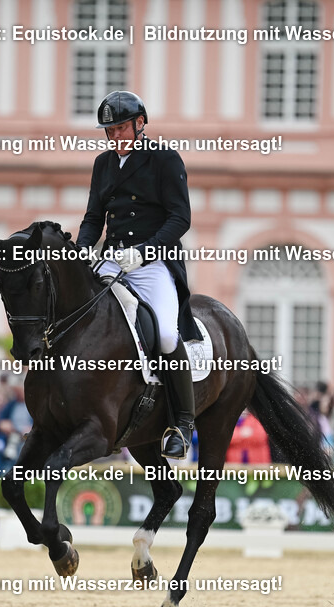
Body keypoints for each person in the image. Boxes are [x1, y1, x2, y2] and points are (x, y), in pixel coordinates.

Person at [76, 90, 199, 460]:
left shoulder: (164, 160)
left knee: (163, 333)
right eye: (110, 131)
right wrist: (83, 247)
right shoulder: (103, 164)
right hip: (112, 259)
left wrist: (145, 251)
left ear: (140, 124)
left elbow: (180, 218)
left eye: (122, 128)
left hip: (152, 263)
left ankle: (182, 422)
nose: (115, 136)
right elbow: (94, 216)